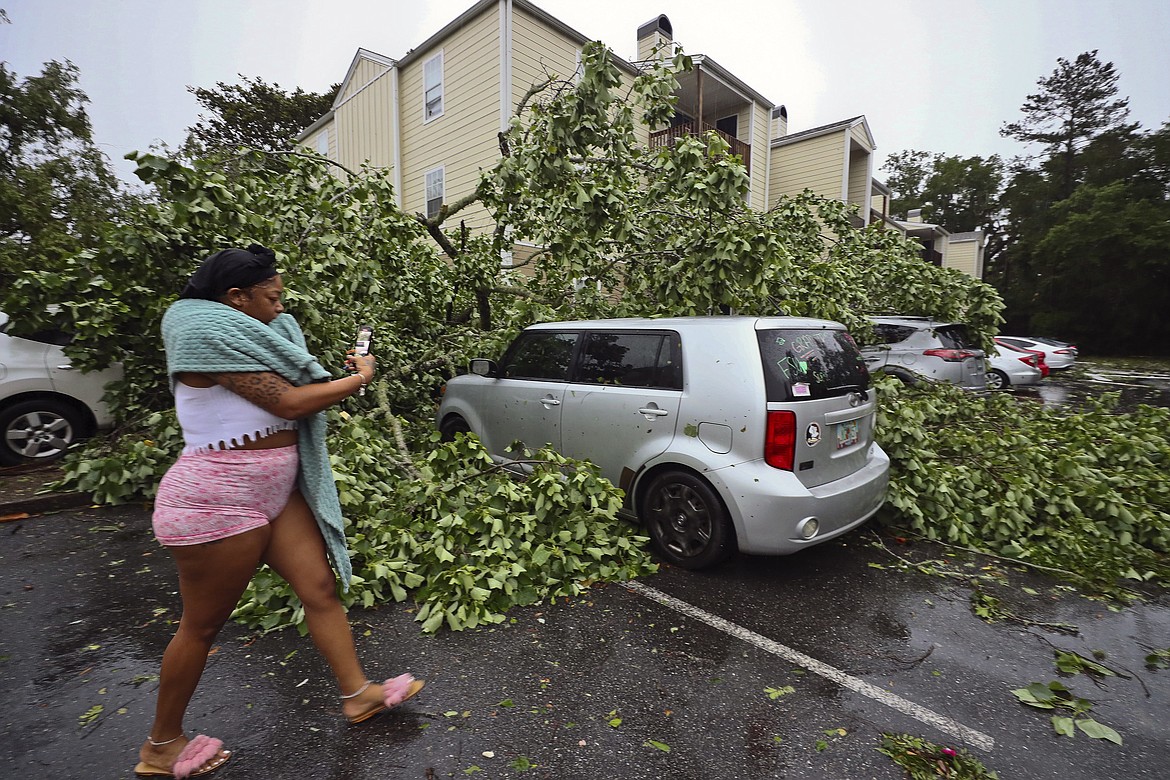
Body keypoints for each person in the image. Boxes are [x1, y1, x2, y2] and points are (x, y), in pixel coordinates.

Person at [134, 245, 423, 778]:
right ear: (235, 297)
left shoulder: (251, 337)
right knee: (201, 627)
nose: (280, 307)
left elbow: (294, 386)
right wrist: (360, 378)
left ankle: (357, 694)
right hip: (216, 500)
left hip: (273, 494)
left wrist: (330, 374)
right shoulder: (207, 339)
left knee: (318, 588)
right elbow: (289, 403)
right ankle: (160, 746)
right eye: (271, 298)